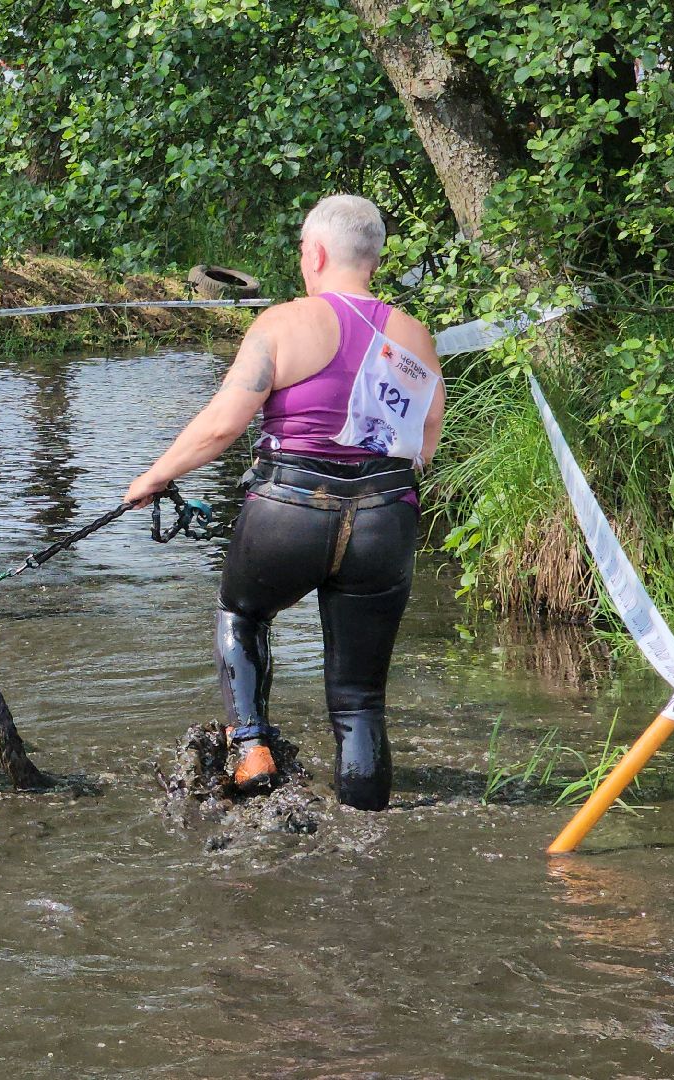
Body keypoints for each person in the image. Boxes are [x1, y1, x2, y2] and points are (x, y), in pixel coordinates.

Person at [122, 195, 445, 812]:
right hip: (384, 520)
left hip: (290, 509)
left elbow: (222, 426)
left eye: (302, 251)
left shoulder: (281, 324)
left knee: (241, 613)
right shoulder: (413, 335)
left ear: (316, 253)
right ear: (373, 259)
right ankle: (365, 836)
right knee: (359, 702)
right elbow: (427, 433)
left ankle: (251, 745)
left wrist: (154, 477)